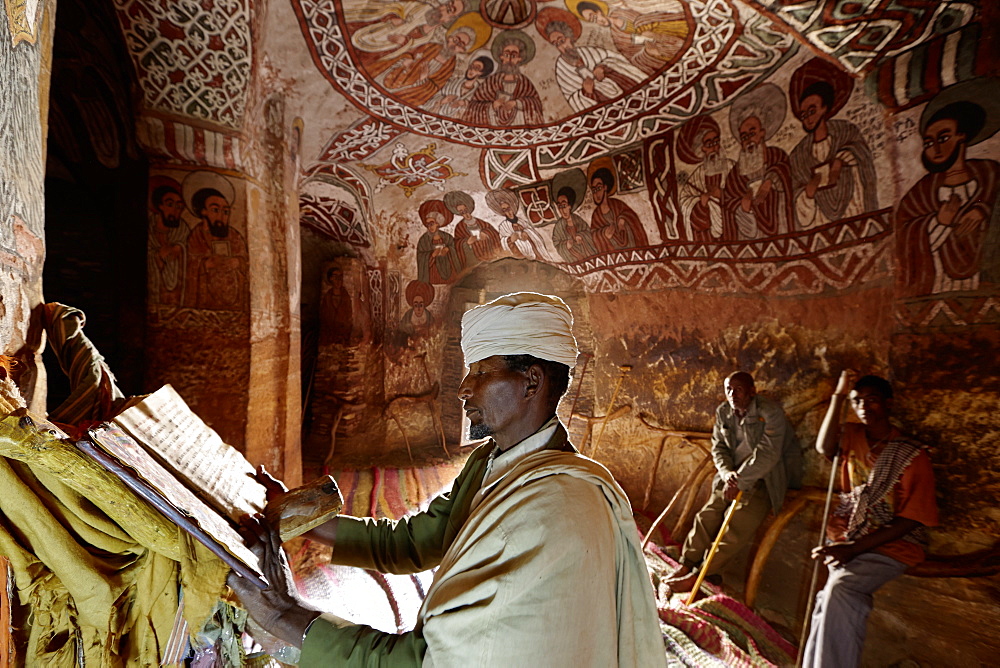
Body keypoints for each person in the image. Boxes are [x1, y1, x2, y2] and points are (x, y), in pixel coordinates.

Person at [229, 292, 666, 666]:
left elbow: (429, 662)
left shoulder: (552, 510)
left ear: (531, 382)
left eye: (480, 373)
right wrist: (299, 513)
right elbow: (417, 542)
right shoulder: (490, 462)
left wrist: (284, 616)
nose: (464, 388)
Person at [802, 372, 938, 668]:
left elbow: (911, 520)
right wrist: (838, 396)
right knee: (826, 599)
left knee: (842, 590)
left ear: (889, 404)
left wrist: (852, 549)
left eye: (872, 400)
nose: (864, 406)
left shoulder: (911, 455)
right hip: (849, 538)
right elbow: (824, 448)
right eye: (857, 401)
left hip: (891, 544)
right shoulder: (851, 435)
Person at [664, 371, 801, 594]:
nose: (732, 394)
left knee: (735, 527)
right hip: (732, 478)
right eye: (728, 389)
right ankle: (687, 564)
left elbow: (768, 454)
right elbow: (719, 448)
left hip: (763, 480)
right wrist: (728, 473)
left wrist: (740, 479)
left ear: (752, 391)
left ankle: (700, 576)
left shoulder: (770, 413)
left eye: (738, 389)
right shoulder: (724, 412)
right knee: (707, 515)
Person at [896, 85, 1000, 297]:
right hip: (938, 283)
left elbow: (991, 199)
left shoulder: (991, 174)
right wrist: (937, 222)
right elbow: (903, 230)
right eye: (928, 142)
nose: (935, 148)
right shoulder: (922, 192)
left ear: (961, 136)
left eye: (943, 138)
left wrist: (984, 209)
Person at [788, 58, 877, 229]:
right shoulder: (798, 154)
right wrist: (807, 194)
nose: (808, 118)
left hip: (852, 209)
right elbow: (794, 189)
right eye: (804, 114)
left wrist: (840, 161)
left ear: (825, 107)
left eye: (812, 110)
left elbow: (862, 158)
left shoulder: (846, 132)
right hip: (819, 220)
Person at [676, 115, 734, 241]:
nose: (714, 148)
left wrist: (723, 195)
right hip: (706, 236)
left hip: (732, 227)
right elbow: (685, 201)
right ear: (702, 149)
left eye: (716, 142)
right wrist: (701, 202)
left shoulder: (731, 167)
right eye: (709, 144)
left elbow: (743, 192)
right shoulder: (698, 174)